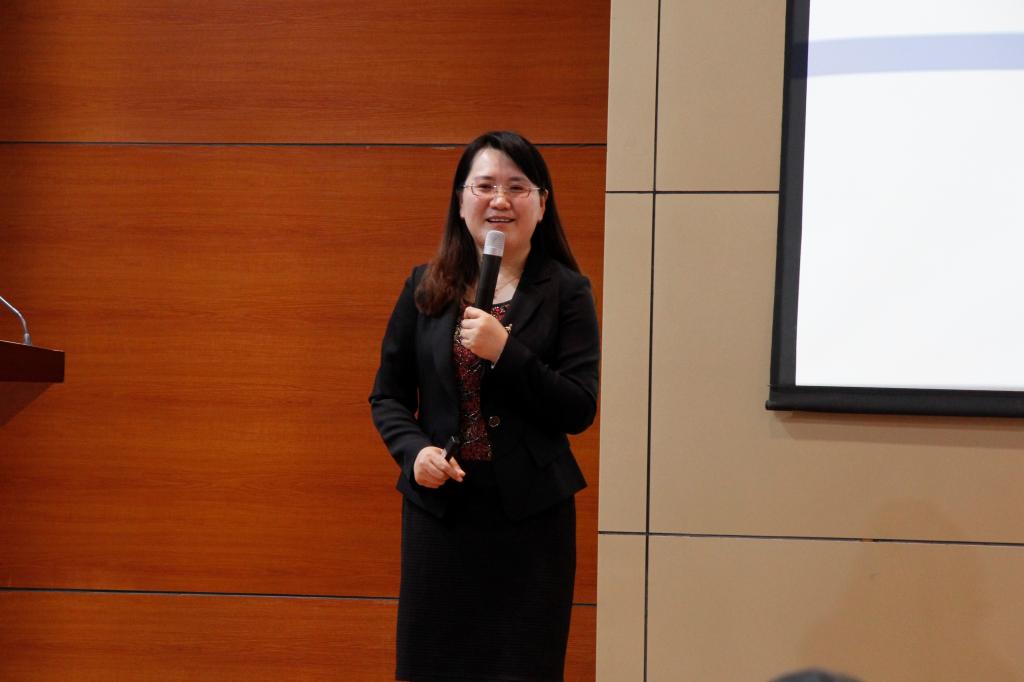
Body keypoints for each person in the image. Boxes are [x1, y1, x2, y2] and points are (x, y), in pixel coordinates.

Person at [369, 130, 600, 682]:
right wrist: (415, 452)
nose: (500, 200)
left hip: (531, 521)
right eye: (486, 186)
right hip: (441, 516)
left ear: (541, 204)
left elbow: (579, 407)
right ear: (460, 200)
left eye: (517, 187)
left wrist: (506, 352)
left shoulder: (567, 291)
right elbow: (389, 395)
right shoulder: (426, 286)